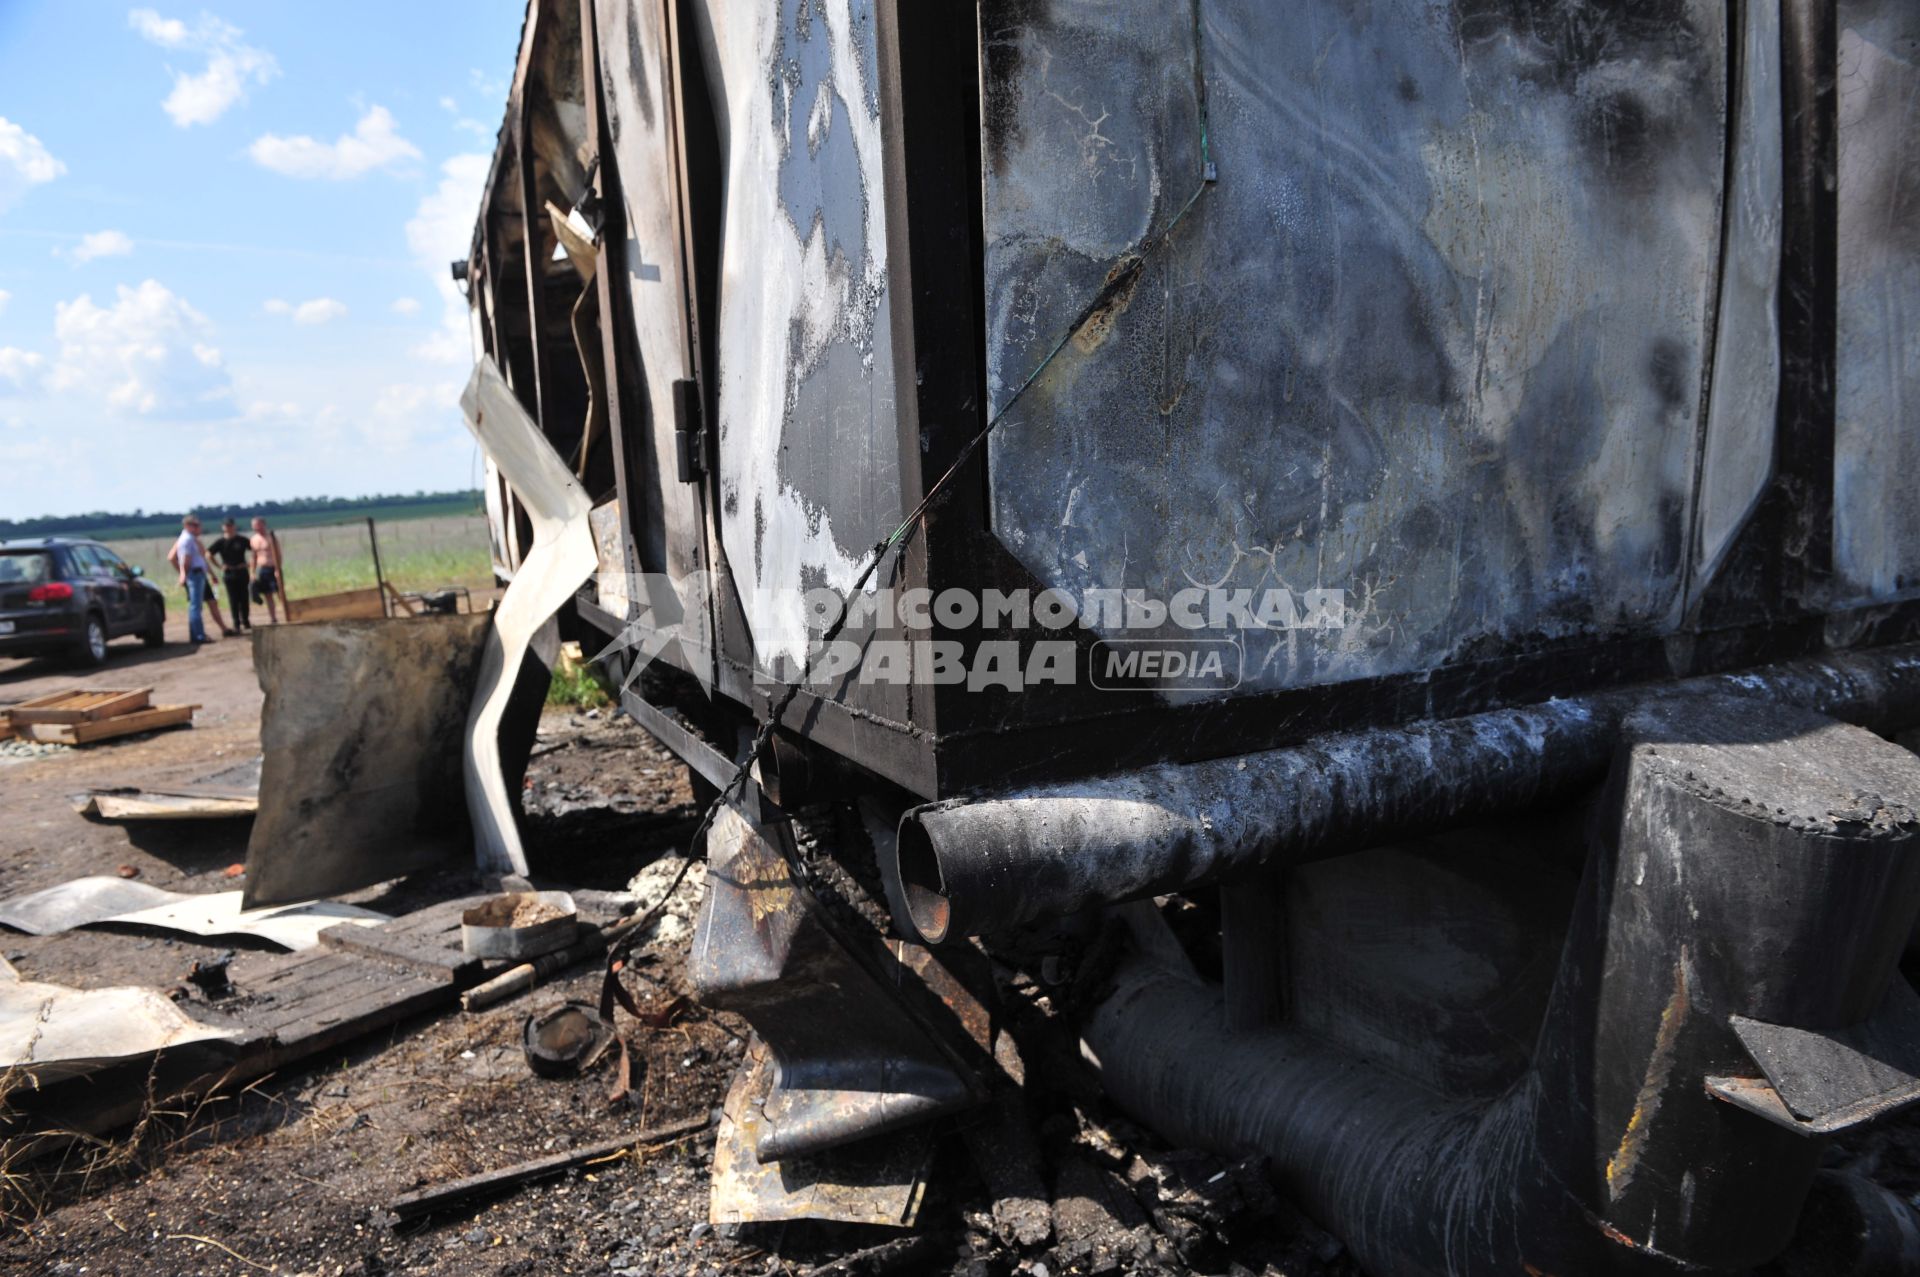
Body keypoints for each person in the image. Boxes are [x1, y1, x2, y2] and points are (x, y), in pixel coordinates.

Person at [166, 514, 222, 644]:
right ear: (187, 526)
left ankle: (196, 634)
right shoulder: (187, 540)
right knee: (196, 606)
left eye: (199, 525)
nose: (199, 528)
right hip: (194, 574)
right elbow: (186, 560)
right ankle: (198, 635)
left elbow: (200, 559)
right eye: (195, 525)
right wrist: (183, 574)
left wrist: (211, 574)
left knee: (196, 606)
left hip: (198, 574)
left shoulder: (191, 539)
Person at [208, 518, 251, 631]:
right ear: (223, 527)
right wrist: (219, 566)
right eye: (226, 526)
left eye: (230, 525)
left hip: (242, 571)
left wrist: (250, 564)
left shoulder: (241, 540)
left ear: (234, 526)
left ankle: (246, 620)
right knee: (233, 599)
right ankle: (236, 622)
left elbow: (255, 550)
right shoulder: (220, 542)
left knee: (244, 597)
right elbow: (208, 554)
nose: (228, 528)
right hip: (229, 572)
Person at [249, 516, 286, 624]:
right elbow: (253, 557)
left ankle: (287, 613)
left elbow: (278, 554)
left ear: (264, 524)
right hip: (262, 569)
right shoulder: (253, 539)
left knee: (280, 593)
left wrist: (277, 569)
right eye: (255, 527)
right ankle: (273, 618)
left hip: (273, 568)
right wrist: (252, 572)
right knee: (267, 594)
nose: (257, 528)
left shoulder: (271, 537)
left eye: (259, 526)